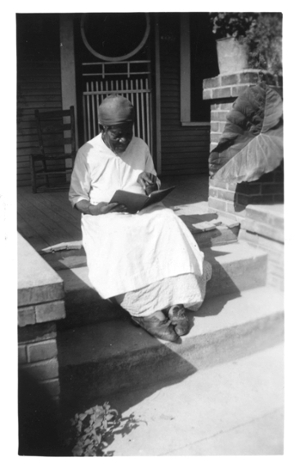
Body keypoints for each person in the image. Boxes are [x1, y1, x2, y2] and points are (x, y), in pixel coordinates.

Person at [69, 95, 212, 343]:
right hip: (104, 216)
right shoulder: (87, 153)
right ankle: (146, 311)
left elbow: (152, 181)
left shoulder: (141, 145)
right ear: (103, 128)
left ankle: (176, 301)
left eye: (128, 132)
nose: (124, 139)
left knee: (168, 219)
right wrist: (94, 209)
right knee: (120, 232)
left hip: (139, 211)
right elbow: (76, 197)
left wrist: (151, 184)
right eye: (117, 134)